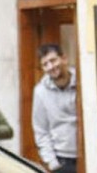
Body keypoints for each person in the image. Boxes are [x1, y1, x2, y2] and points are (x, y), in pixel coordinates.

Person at [32, 44, 77, 172]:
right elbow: (41, 131)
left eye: (53, 60)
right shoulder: (40, 92)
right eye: (45, 64)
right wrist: (52, 163)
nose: (51, 67)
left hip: (87, 154)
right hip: (62, 160)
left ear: (64, 58)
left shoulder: (82, 81)